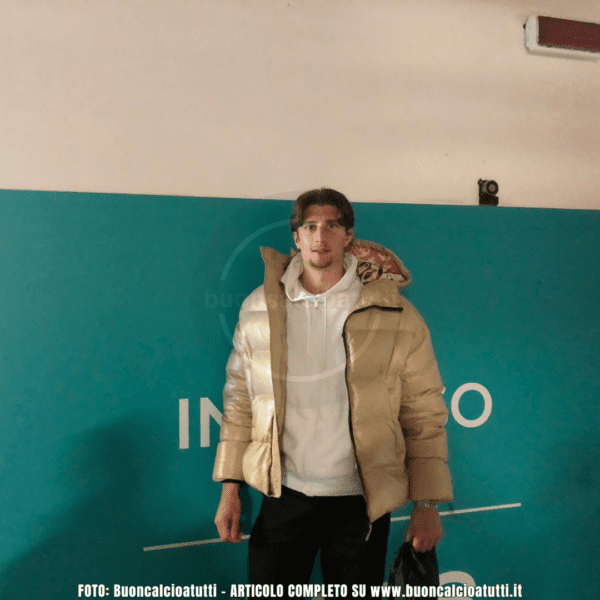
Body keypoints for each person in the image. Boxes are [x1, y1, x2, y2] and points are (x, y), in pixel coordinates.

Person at [213, 188, 452, 590]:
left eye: (331, 226)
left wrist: (427, 503)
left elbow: (423, 410)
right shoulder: (258, 308)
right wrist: (230, 489)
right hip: (283, 496)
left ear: (348, 235)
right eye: (309, 227)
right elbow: (240, 400)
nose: (320, 236)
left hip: (360, 504)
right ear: (296, 237)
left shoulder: (394, 313)